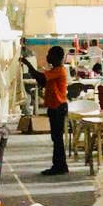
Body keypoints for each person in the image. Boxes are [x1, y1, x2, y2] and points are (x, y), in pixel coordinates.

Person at [37, 46, 70, 176]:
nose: (47, 57)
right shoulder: (54, 71)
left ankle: (60, 166)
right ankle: (59, 165)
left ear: (56, 57)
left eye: (49, 54)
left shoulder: (59, 71)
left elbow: (41, 78)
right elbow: (42, 81)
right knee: (56, 138)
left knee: (57, 138)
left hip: (58, 107)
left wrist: (28, 65)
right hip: (54, 107)